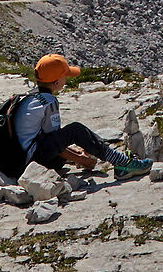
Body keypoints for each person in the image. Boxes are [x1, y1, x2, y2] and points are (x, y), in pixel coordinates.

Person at [14, 55, 149, 179]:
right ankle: (122, 163)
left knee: (61, 152)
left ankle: (113, 160)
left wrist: (76, 155)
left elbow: (48, 139)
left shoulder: (30, 97)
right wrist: (83, 161)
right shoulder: (48, 102)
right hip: (30, 162)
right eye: (64, 76)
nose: (66, 79)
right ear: (56, 82)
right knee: (75, 130)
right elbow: (54, 141)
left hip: (19, 159)